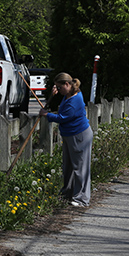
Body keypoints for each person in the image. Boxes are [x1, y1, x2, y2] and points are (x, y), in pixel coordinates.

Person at [40, 73, 93, 207]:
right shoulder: (67, 95)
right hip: (69, 135)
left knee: (80, 167)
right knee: (68, 166)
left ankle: (82, 199)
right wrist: (53, 95)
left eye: (60, 87)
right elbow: (61, 108)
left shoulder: (75, 100)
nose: (58, 90)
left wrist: (47, 115)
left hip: (79, 136)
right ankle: (67, 193)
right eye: (56, 87)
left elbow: (63, 117)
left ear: (67, 84)